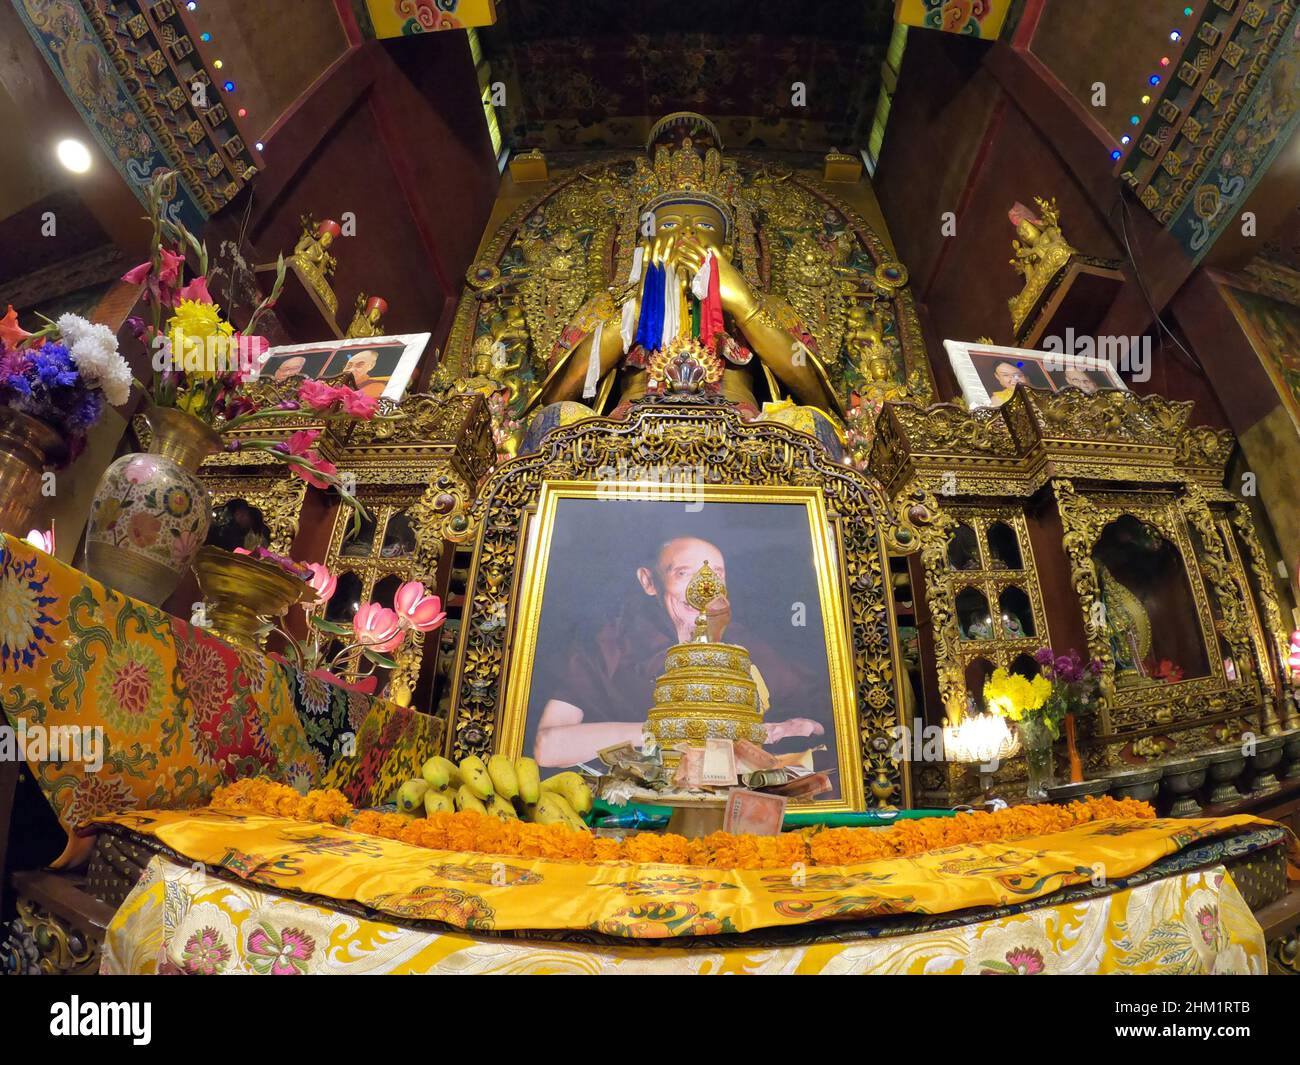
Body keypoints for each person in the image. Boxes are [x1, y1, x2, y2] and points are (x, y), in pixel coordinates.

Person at [531, 535, 826, 768]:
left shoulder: (742, 647)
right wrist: (675, 728)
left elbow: (818, 718)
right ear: (649, 582)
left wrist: (785, 729)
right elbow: (548, 746)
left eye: (716, 576)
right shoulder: (609, 646)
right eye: (684, 573)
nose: (704, 589)